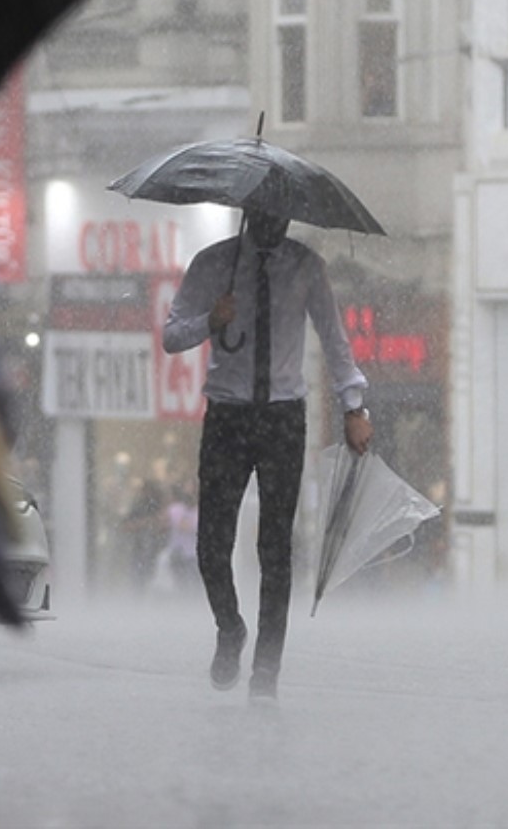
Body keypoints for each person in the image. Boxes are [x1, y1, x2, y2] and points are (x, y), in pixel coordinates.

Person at [163, 210, 370, 701]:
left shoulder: (305, 266)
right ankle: (230, 628)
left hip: (281, 419)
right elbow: (171, 336)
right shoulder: (213, 264)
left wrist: (354, 405)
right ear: (248, 210)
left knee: (276, 551)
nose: (275, 221)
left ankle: (267, 672)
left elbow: (335, 341)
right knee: (212, 545)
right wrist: (209, 321)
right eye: (266, 210)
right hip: (228, 416)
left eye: (283, 211)